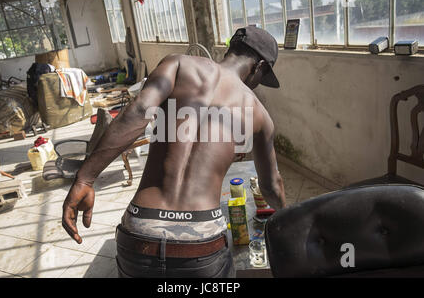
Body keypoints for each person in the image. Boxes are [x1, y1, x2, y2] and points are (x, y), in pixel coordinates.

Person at [62, 26, 287, 278]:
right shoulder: (259, 113)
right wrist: (288, 216)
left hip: (140, 231)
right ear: (260, 67)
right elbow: (271, 187)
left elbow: (137, 114)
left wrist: (85, 178)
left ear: (230, 49)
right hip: (201, 242)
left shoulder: (178, 64)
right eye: (261, 79)